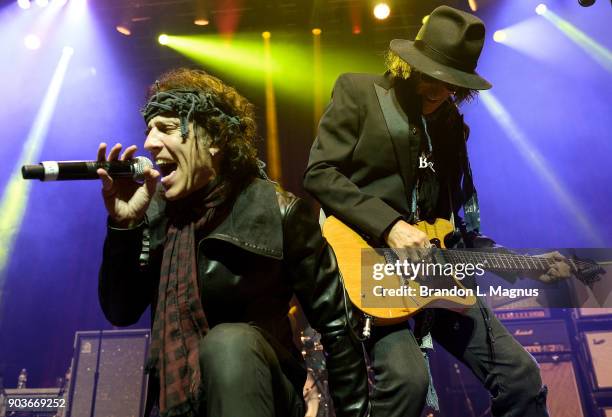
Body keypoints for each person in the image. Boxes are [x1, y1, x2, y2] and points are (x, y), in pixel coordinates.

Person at [304, 5, 569, 417]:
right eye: (428, 75)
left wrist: (523, 263)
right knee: (409, 383)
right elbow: (320, 173)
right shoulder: (360, 92)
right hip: (371, 268)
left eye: (448, 83)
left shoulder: (452, 130)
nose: (434, 89)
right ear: (409, 64)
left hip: (435, 275)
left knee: (521, 379)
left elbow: (455, 229)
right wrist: (389, 225)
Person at [96, 68, 369, 417]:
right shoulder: (155, 214)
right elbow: (120, 311)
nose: (149, 143)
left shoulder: (278, 212)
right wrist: (124, 226)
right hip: (181, 403)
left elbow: (338, 328)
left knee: (229, 343)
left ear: (214, 139)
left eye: (165, 128)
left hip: (264, 395)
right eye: (148, 129)